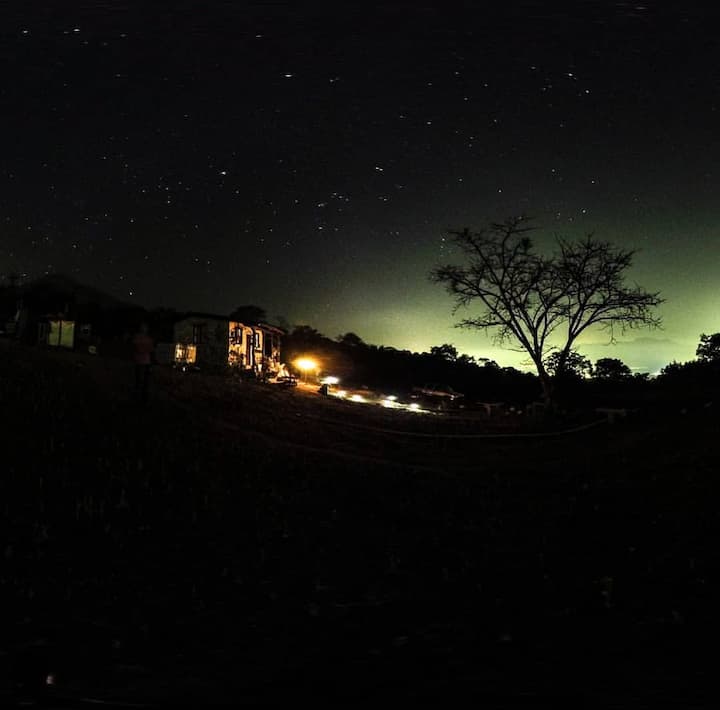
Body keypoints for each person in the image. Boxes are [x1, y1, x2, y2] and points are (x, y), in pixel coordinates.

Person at [132, 323, 154, 404]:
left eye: (145, 327)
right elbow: (135, 347)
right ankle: (138, 396)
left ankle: (143, 397)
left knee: (145, 380)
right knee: (139, 379)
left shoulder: (148, 338)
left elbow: (151, 349)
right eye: (143, 327)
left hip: (146, 361)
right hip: (139, 361)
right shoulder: (138, 337)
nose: (144, 329)